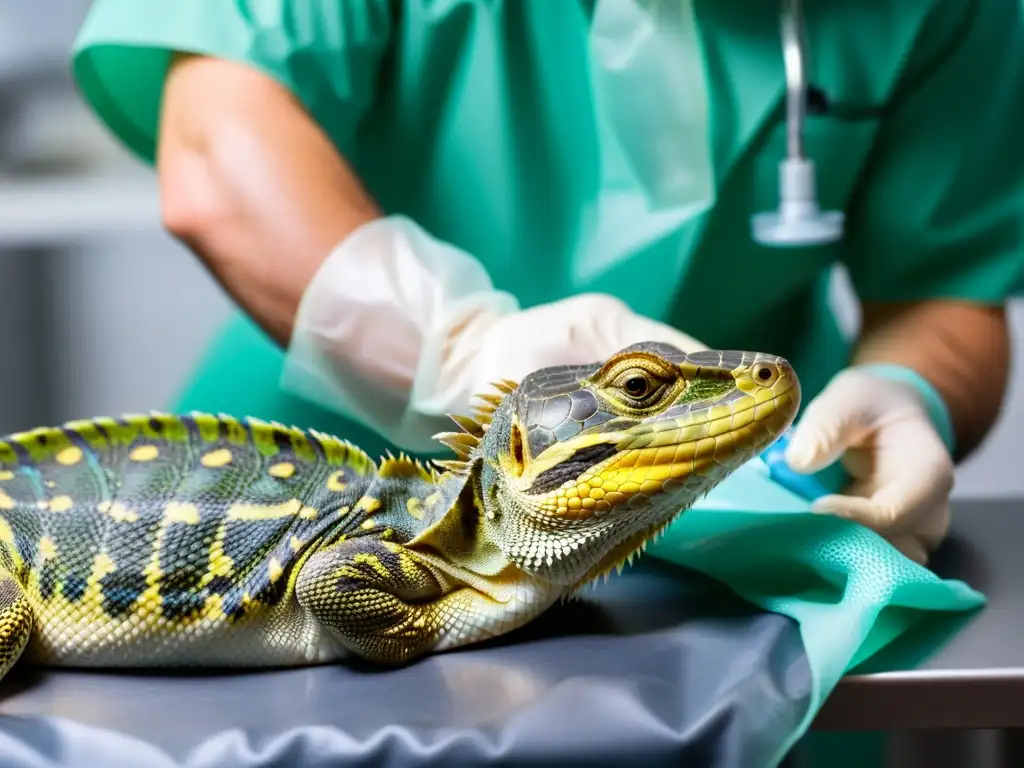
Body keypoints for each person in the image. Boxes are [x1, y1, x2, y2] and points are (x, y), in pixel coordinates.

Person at [70, 1, 1023, 566]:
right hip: (329, 482)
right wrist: (457, 354)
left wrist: (913, 398)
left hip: (731, 522)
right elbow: (214, 139)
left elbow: (947, 285)